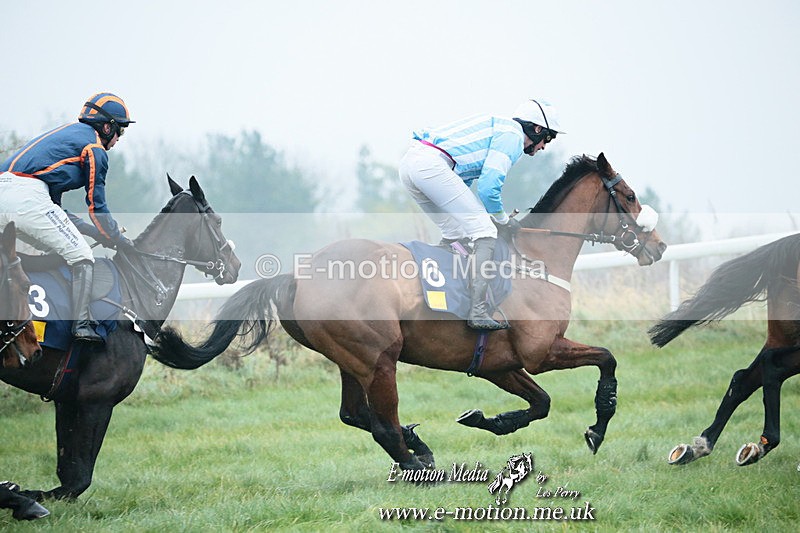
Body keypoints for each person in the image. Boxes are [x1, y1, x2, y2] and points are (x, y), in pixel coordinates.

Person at [399, 98, 563, 330]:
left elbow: (460, 185)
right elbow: (488, 189)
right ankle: (477, 311)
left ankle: (444, 292)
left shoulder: (502, 128)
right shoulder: (513, 138)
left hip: (411, 165)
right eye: (548, 138)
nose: (544, 146)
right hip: (430, 165)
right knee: (485, 231)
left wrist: (485, 216)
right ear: (537, 129)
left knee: (455, 230)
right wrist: (502, 220)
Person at [0, 92, 135, 343]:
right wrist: (116, 238)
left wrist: (96, 233)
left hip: (10, 190)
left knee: (56, 249)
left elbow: (55, 210)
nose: (118, 139)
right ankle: (81, 324)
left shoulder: (67, 136)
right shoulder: (95, 148)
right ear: (107, 127)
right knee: (82, 255)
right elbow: (97, 206)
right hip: (26, 196)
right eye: (120, 131)